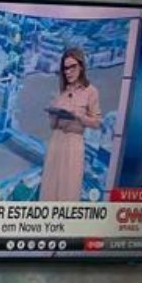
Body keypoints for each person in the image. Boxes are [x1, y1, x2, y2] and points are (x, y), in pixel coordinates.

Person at [39, 45, 101, 202]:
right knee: (50, 187)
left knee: (68, 189)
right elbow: (53, 126)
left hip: (74, 143)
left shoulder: (90, 91)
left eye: (72, 67)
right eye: (65, 68)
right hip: (56, 142)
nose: (68, 72)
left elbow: (96, 122)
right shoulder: (62, 92)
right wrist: (53, 112)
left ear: (81, 66)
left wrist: (80, 117)